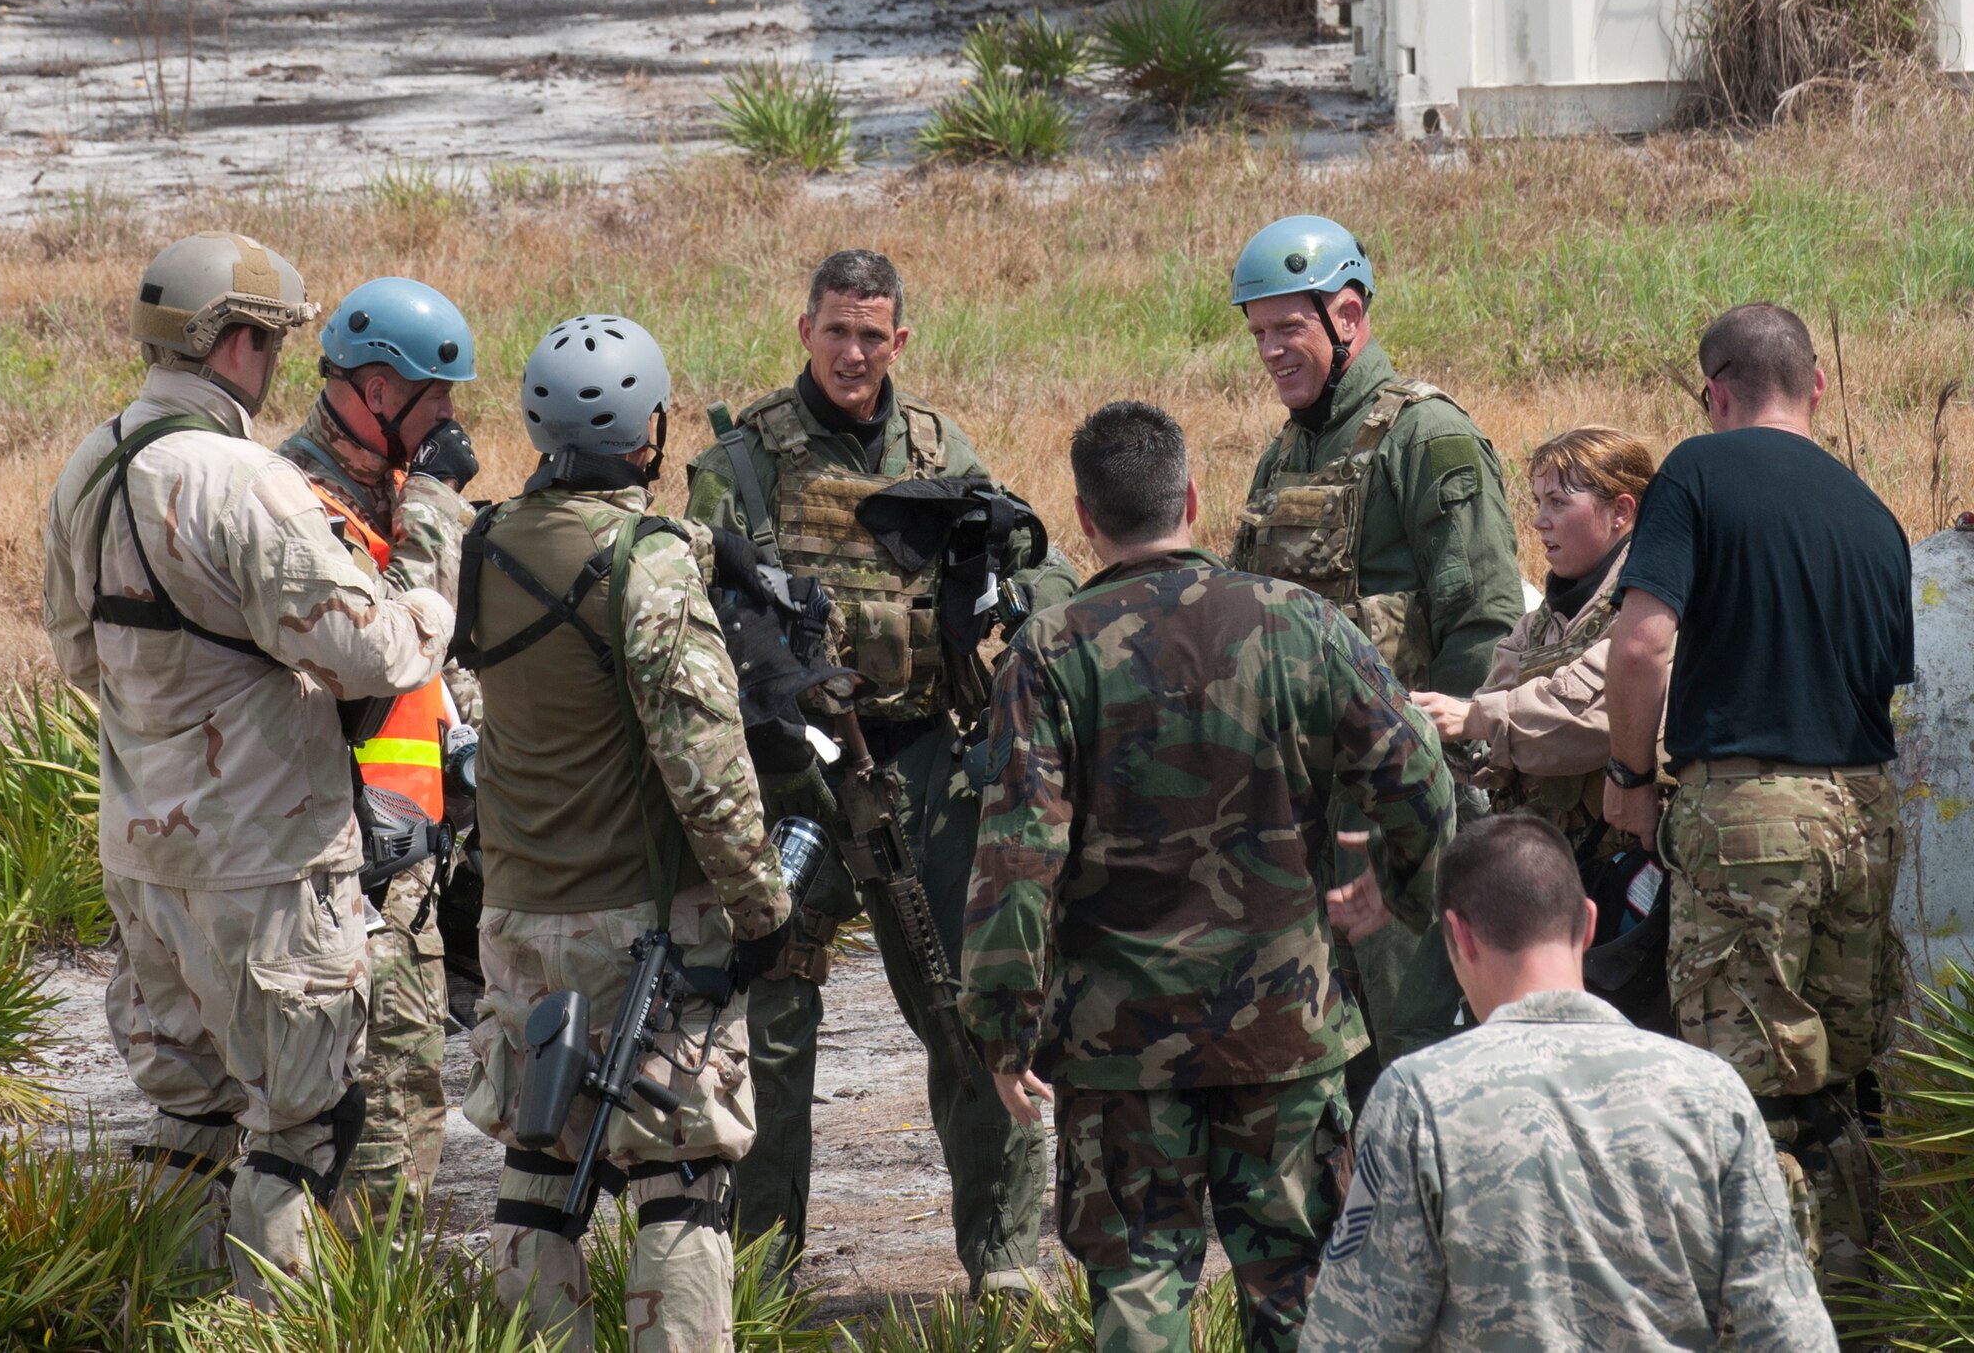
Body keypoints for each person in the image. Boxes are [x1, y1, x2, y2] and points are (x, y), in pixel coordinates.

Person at [962, 402, 1454, 1353]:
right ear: (1193, 496)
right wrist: (1402, 890)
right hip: (1285, 1026)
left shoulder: (1053, 651)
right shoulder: (1301, 621)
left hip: (1119, 1043)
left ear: (1084, 518)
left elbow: (1018, 855)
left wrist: (1002, 1023)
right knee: (1301, 1283)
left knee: (1140, 1282)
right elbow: (1418, 768)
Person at [40, 232, 459, 1304]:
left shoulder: (90, 465)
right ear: (230, 342)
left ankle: (175, 1323)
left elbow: (77, 652)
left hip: (144, 855)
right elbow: (369, 649)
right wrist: (427, 588)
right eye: (269, 342)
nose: (275, 365)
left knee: (190, 1123)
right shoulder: (243, 479)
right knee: (300, 1128)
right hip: (265, 859)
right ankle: (277, 1330)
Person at [684, 249, 1076, 1292]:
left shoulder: (939, 445)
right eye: (836, 331)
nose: (853, 353)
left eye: (873, 334)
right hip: (786, 780)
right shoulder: (744, 459)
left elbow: (1035, 556)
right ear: (803, 329)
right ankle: (765, 1271)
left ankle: (999, 1256)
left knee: (973, 1008)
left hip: (922, 769)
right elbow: (698, 597)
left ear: (898, 340)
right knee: (772, 1027)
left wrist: (1011, 581)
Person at [458, 312, 794, 1353]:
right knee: (678, 1175)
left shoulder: (483, 546)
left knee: (537, 1162)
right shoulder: (643, 569)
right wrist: (761, 906)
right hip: (641, 923)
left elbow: (568, 555)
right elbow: (706, 767)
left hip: (518, 918)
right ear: (647, 431)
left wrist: (700, 543)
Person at [1602, 302, 1912, 1294]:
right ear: (1815, 386)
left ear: (1714, 389)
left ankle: (1764, 1314)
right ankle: (1856, 1306)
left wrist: (1626, 778)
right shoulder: (1873, 515)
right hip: (1862, 815)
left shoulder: (1696, 468)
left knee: (1749, 1090)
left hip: (1745, 815)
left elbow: (1643, 640)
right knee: (1840, 1084)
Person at [1298, 813, 1838, 1352]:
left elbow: (1349, 1337)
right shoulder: (1714, 1093)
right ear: (1587, 920)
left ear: (1456, 934)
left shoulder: (1416, 1099)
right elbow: (1793, 1333)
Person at [1227, 215, 1522, 1096]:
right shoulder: (1286, 452)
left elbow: (1484, 619)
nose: (1272, 350)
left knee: (1412, 1042)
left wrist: (1431, 777)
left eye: (1289, 328)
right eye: (1259, 333)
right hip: (1302, 805)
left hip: (1400, 806)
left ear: (1347, 316)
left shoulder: (1426, 436)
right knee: (1316, 1047)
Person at [276, 276, 482, 1225]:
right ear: (372, 390)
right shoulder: (294, 500)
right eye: (434, 396)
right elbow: (383, 639)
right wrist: (436, 500)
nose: (448, 417)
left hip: (414, 852)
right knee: (375, 1127)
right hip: (342, 863)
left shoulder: (392, 487)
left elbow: (448, 650)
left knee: (412, 1104)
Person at [1413, 425, 1655, 854]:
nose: (1538, 521)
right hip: (1555, 863)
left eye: (1558, 503)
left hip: (1629, 864)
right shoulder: (1538, 624)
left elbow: (1595, 721)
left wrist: (1473, 719)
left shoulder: (1650, 608)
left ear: (1621, 511)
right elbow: (1491, 736)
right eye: (1538, 502)